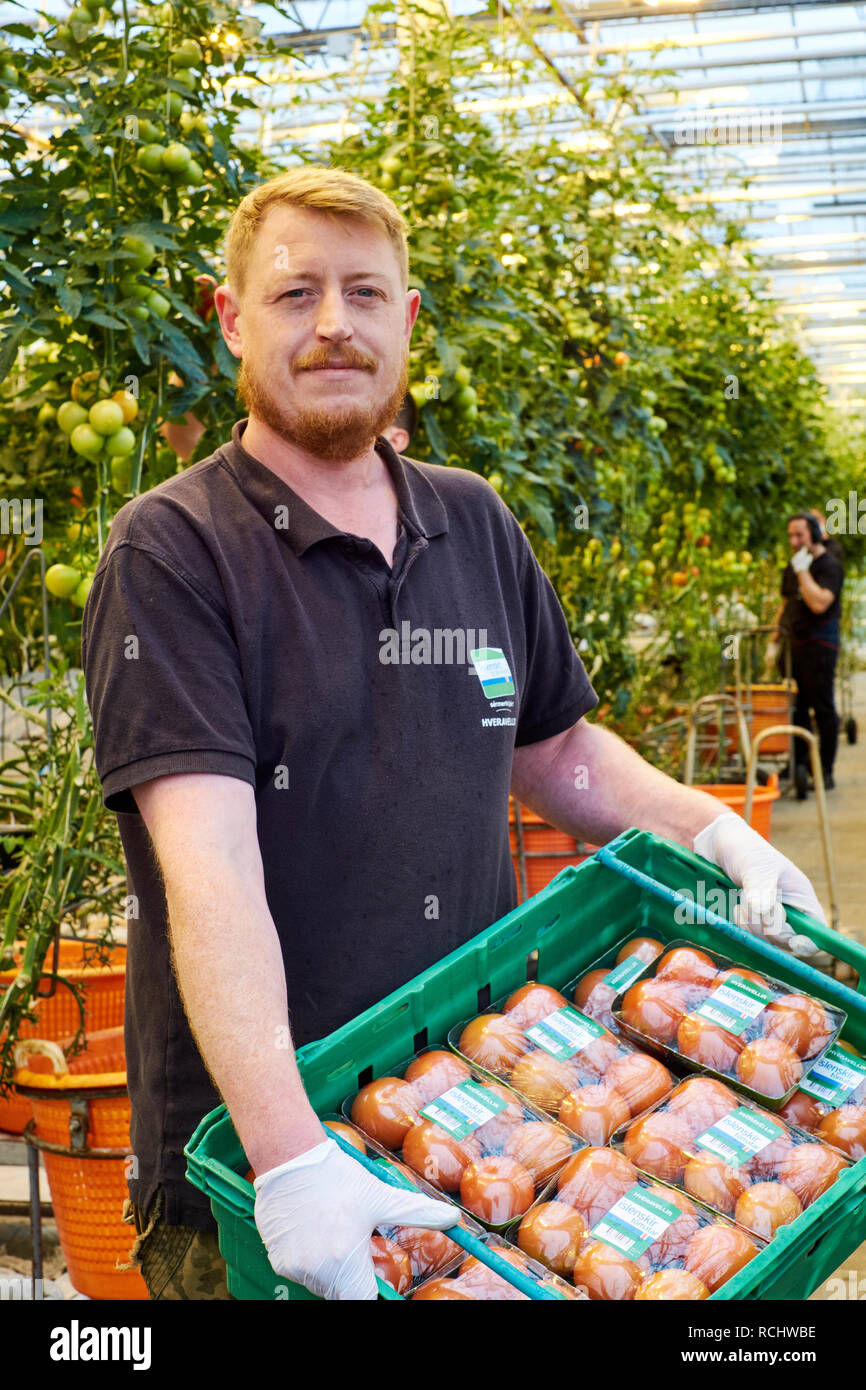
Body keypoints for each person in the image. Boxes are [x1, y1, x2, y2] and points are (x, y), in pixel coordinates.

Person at [81, 166, 832, 1302]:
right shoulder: (174, 553)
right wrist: (291, 1165)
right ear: (229, 316)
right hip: (261, 1173)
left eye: (365, 293)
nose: (334, 325)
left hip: (481, 1111)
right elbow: (212, 874)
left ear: (408, 319)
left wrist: (710, 829)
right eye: (294, 295)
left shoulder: (469, 519)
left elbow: (555, 751)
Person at [771, 512, 843, 795]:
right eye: (790, 536)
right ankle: (797, 763)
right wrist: (774, 639)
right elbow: (787, 602)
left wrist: (803, 571)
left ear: (813, 534)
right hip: (794, 645)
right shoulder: (793, 564)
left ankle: (824, 770)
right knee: (796, 707)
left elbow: (818, 604)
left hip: (820, 646)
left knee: (822, 706)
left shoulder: (829, 566)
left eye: (799, 535)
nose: (794, 541)